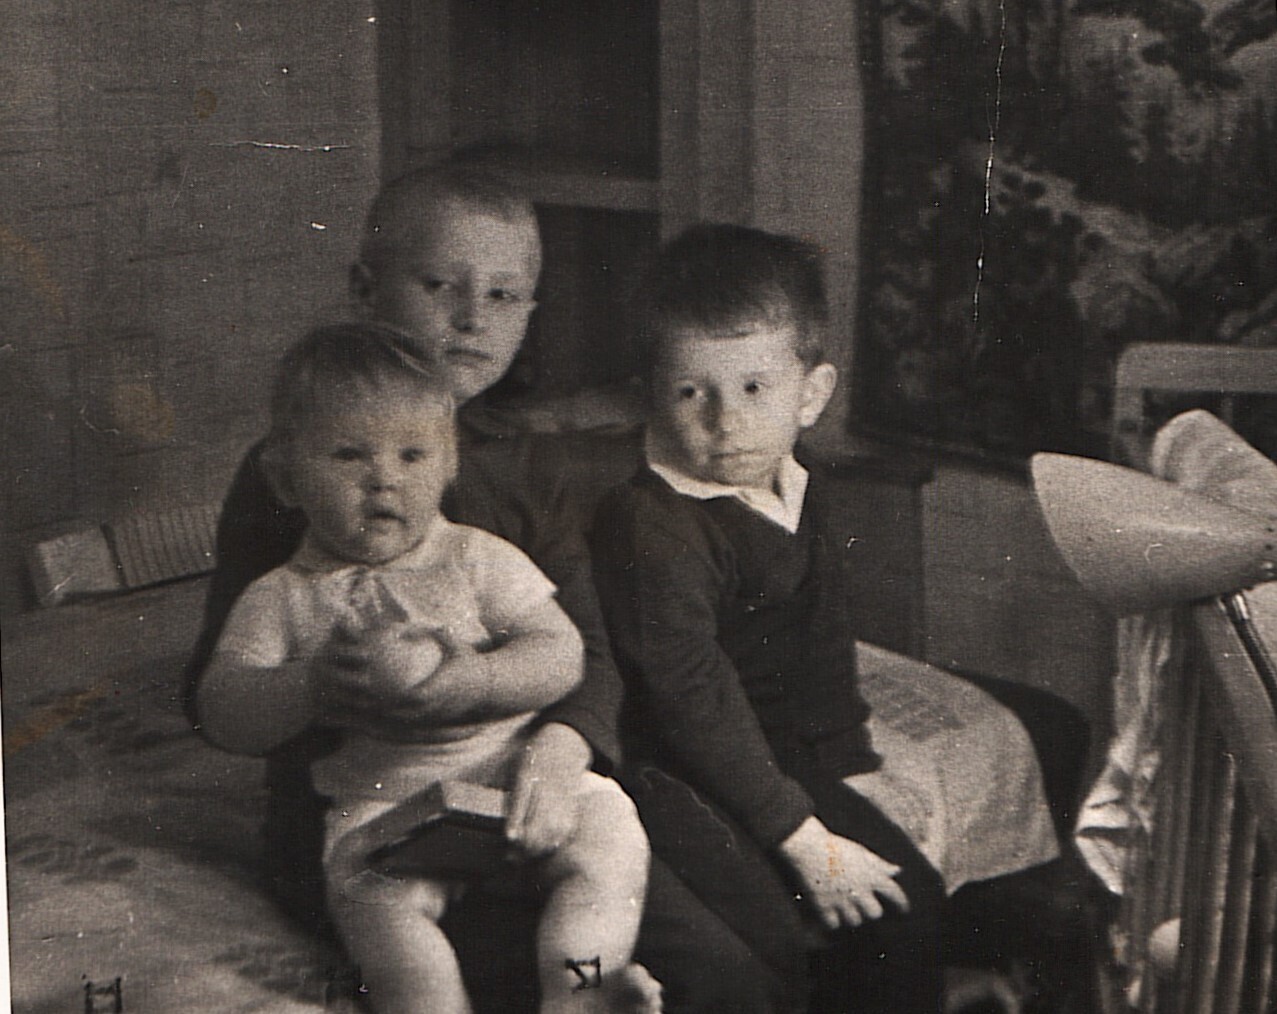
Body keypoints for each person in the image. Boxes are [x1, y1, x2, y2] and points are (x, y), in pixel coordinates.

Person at [185, 162, 785, 1012]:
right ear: (365, 288)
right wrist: (322, 687)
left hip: (529, 776)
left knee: (739, 947)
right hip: (374, 815)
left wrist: (564, 745)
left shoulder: (527, 466)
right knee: (635, 976)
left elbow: (587, 645)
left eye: (502, 296)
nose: (472, 317)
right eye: (439, 285)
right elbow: (216, 689)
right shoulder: (297, 467)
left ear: (529, 313)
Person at [197, 325, 652, 1014]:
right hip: (389, 807)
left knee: (612, 836)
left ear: (449, 466)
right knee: (367, 892)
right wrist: (309, 687)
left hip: (516, 780)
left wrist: (475, 681)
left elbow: (561, 653)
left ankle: (581, 988)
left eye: (412, 454)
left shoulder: (475, 558)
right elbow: (222, 707)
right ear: (284, 478)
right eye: (349, 454)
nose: (384, 478)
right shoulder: (281, 597)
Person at [590, 223, 950, 1013]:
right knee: (797, 937)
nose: (725, 422)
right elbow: (690, 696)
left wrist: (851, 770)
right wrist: (804, 839)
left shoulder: (790, 480)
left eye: (754, 388)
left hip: (777, 760)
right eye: (692, 392)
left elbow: (821, 639)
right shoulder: (652, 523)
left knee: (906, 902)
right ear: (650, 393)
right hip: (676, 768)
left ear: (809, 396)